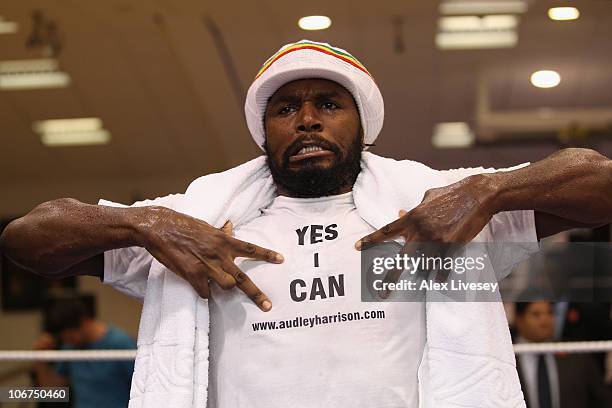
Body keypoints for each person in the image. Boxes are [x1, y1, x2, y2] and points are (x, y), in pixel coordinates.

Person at [1, 39, 611, 407]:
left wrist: (489, 188)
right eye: (286, 108)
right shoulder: (199, 219)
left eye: (329, 104)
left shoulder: (440, 206)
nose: (308, 121)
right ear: (264, 130)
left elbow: (599, 184)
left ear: (360, 122)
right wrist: (145, 224)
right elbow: (26, 239)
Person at [33, 297, 136, 408]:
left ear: (85, 322)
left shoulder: (121, 344)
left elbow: (146, 387)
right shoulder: (70, 347)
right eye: (65, 338)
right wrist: (40, 358)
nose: (68, 341)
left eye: (70, 336)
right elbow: (51, 392)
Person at [514, 301, 612, 407]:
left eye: (550, 313)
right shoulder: (507, 357)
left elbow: (603, 400)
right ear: (519, 319)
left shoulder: (577, 354)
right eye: (536, 314)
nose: (544, 320)